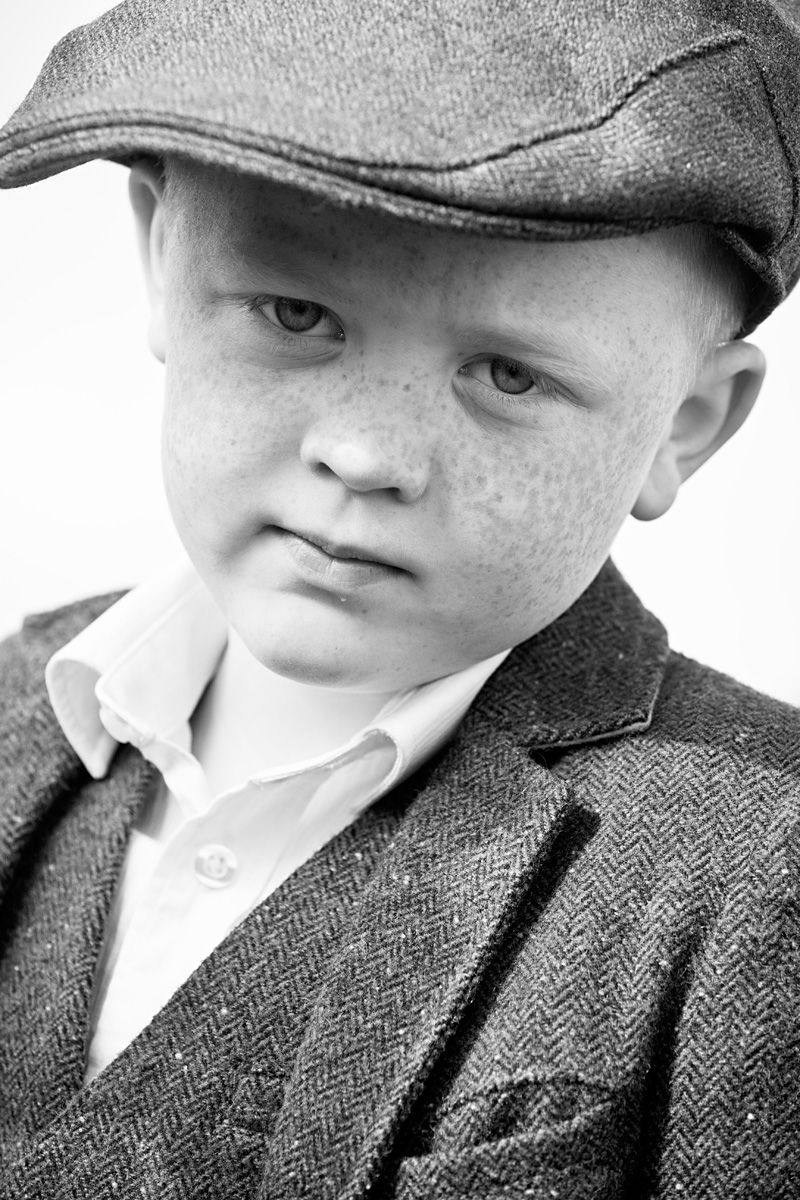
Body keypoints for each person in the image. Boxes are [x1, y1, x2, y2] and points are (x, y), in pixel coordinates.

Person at [0, 1, 798, 1196]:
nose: (368, 453)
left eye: (508, 374)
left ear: (682, 426)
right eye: (295, 313)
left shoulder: (756, 870)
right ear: (161, 259)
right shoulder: (19, 690)